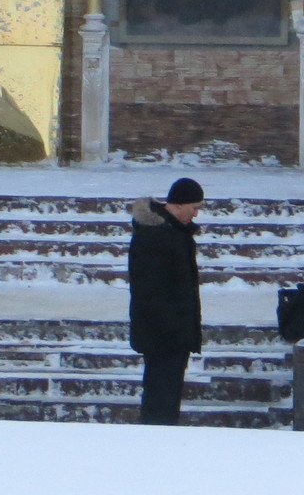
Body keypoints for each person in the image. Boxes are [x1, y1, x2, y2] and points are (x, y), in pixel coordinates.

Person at [128, 176, 204, 426]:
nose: (195, 214)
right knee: (160, 396)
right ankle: (155, 441)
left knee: (167, 395)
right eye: (194, 207)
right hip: (162, 335)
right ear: (179, 204)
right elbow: (149, 289)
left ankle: (162, 438)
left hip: (173, 333)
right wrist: (172, 327)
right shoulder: (156, 235)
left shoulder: (176, 233)